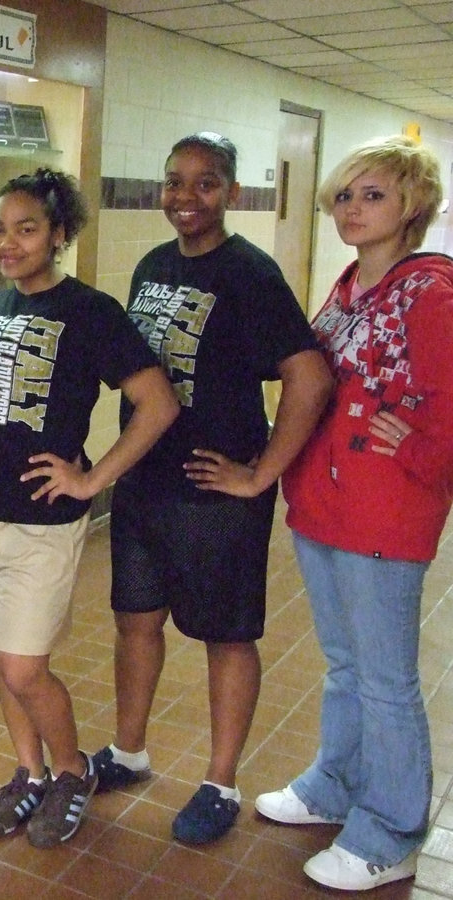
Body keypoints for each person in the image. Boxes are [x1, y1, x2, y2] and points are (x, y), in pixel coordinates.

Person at [0, 168, 180, 847]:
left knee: (26, 667)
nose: (8, 241)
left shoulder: (91, 312)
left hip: (41, 521)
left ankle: (71, 769)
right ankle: (29, 774)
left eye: (27, 229)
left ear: (59, 236)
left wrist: (95, 482)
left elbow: (158, 404)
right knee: (4, 654)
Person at [90, 132, 332, 844]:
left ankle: (220, 783)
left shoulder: (251, 274)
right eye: (174, 182)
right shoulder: (152, 265)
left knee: (225, 637)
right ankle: (129, 753)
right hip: (144, 485)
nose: (185, 198)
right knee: (136, 622)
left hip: (215, 492)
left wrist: (261, 475)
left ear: (230, 191)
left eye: (204, 183)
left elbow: (309, 377)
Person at [255, 136, 453, 891]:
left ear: (411, 206)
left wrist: (420, 452)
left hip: (384, 515)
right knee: (346, 667)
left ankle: (390, 832)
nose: (352, 208)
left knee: (386, 681)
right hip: (325, 506)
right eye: (344, 195)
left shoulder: (430, 291)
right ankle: (333, 785)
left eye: (371, 195)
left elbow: (445, 406)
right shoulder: (347, 286)